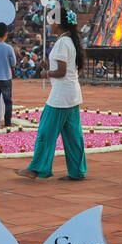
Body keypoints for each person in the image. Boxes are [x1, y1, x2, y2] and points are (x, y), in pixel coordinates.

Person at [17, 9, 86, 181]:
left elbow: (62, 71)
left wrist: (47, 73)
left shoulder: (63, 43)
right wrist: (48, 65)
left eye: (51, 21)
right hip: (71, 94)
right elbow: (65, 67)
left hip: (61, 96)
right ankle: (77, 171)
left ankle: (38, 168)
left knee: (45, 132)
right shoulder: (68, 41)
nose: (49, 24)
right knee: (73, 136)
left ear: (59, 23)